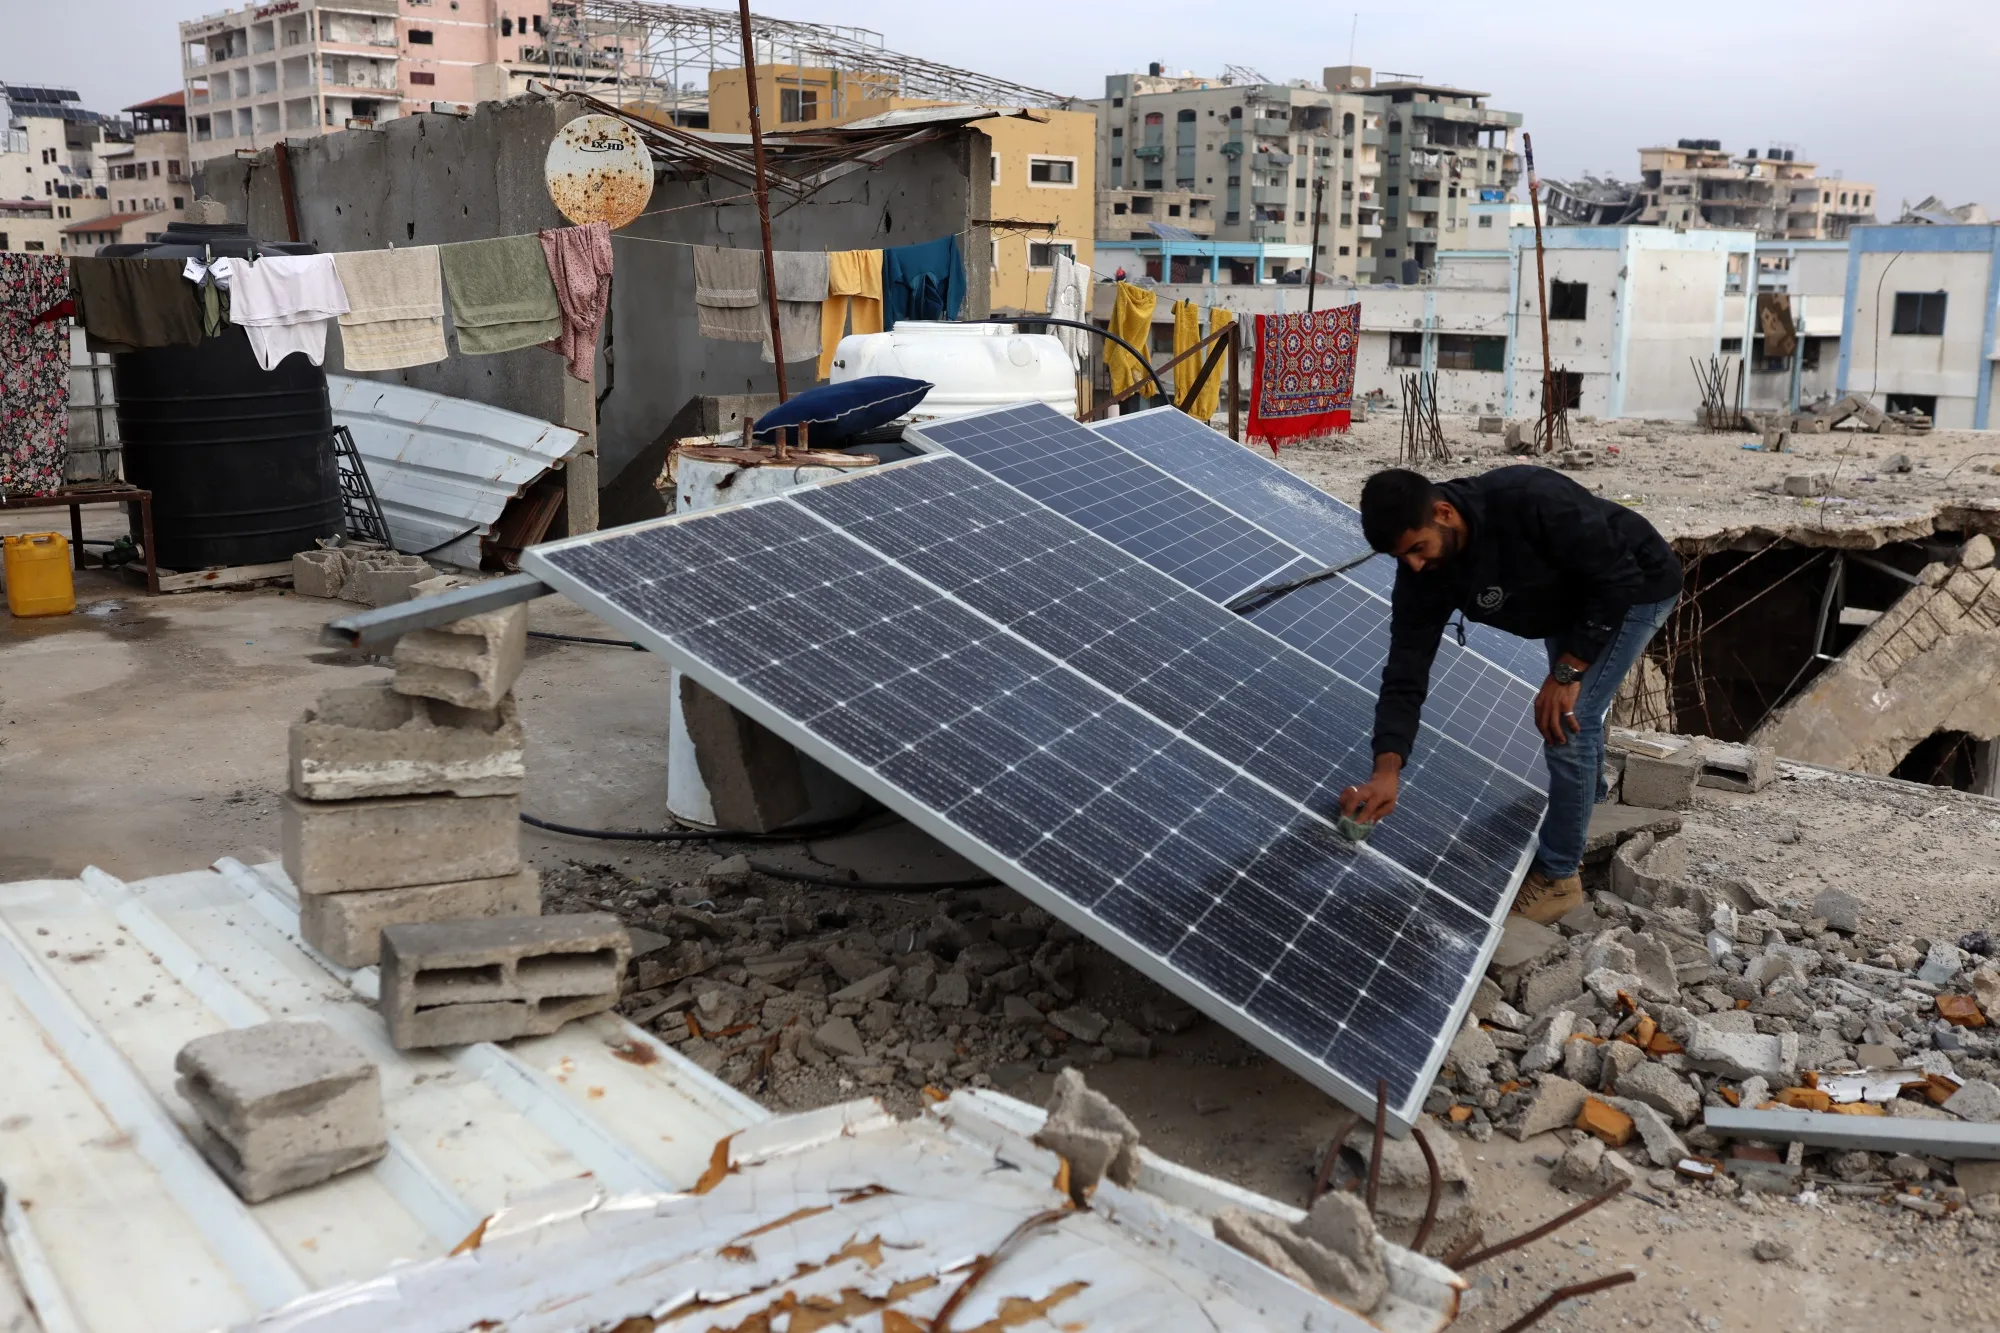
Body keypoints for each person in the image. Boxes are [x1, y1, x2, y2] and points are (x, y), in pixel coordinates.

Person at [1337, 466, 1682, 923]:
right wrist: (1387, 768)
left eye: (1418, 548)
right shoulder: (1423, 576)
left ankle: (1559, 877)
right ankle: (1587, 800)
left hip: (1635, 584)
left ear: (1444, 512)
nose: (1415, 565)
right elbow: (1405, 672)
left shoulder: (1529, 498)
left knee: (1565, 718)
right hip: (1566, 603)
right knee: (1577, 709)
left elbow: (1615, 576)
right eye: (1403, 558)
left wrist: (1567, 671)